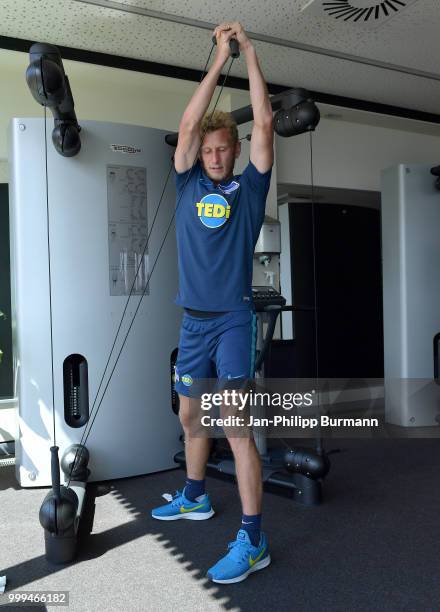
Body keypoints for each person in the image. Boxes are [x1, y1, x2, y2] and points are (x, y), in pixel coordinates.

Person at [151, 21, 274, 584]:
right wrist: (215, 58)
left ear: (236, 151)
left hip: (231, 320)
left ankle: (253, 539)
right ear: (199, 151)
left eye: (226, 149)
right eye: (210, 148)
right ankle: (196, 496)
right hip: (193, 322)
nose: (217, 156)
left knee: (235, 426)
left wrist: (246, 51)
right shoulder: (186, 184)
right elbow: (187, 122)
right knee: (188, 414)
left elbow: (266, 121)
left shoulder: (247, 190)